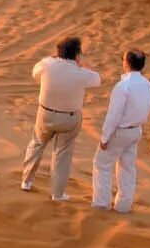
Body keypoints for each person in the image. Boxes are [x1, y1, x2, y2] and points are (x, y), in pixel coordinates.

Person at [21, 37, 100, 201]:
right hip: (69, 118)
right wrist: (83, 64)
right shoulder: (81, 73)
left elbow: (35, 73)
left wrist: (53, 59)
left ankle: (26, 181)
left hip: (45, 114)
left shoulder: (47, 64)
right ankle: (57, 194)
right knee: (62, 155)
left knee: (36, 144)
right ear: (77, 54)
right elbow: (97, 79)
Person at [93, 49, 150, 212]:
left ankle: (101, 203)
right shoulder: (147, 84)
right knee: (128, 168)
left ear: (126, 63)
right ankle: (123, 206)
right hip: (135, 131)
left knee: (102, 165)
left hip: (121, 131)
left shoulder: (123, 86)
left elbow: (114, 115)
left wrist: (105, 138)